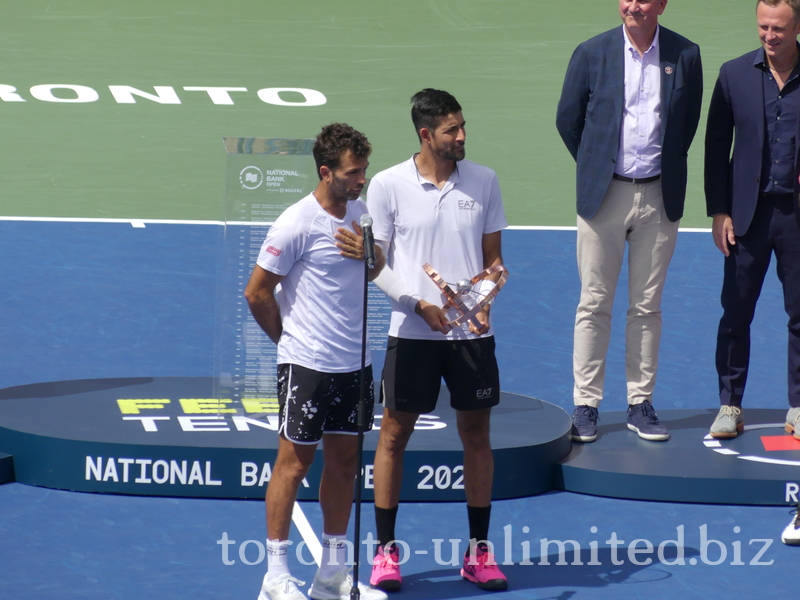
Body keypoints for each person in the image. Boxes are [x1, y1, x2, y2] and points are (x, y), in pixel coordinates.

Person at [366, 89, 509, 592]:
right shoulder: (386, 186)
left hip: (472, 334)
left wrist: (487, 292)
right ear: (426, 135)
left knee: (477, 437)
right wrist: (416, 305)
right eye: (451, 129)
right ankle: (385, 554)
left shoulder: (485, 181)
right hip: (412, 331)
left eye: (463, 125)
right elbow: (374, 263)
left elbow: (493, 259)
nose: (462, 136)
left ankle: (478, 554)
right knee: (393, 436)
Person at [245, 123, 387, 600]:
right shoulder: (295, 223)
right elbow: (257, 292)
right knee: (293, 464)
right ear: (326, 172)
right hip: (307, 366)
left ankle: (331, 576)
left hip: (355, 365)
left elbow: (375, 267)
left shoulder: (361, 214)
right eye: (353, 172)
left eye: (364, 170)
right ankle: (275, 578)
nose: (361, 179)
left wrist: (372, 254)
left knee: (345, 463)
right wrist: (288, 342)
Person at [556, 0, 703, 443]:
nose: (633, 5)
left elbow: (686, 123)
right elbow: (568, 120)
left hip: (659, 195)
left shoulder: (686, 54)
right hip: (605, 195)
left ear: (661, 5)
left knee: (647, 305)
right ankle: (586, 404)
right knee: (594, 302)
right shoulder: (591, 52)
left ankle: (640, 403)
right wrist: (597, 166)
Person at [705, 0, 800, 441]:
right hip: (747, 217)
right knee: (736, 313)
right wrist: (719, 210)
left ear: (797, 26)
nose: (769, 35)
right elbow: (715, 149)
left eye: (778, 28)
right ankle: (730, 404)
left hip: (796, 219)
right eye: (763, 26)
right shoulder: (733, 74)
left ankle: (798, 407)